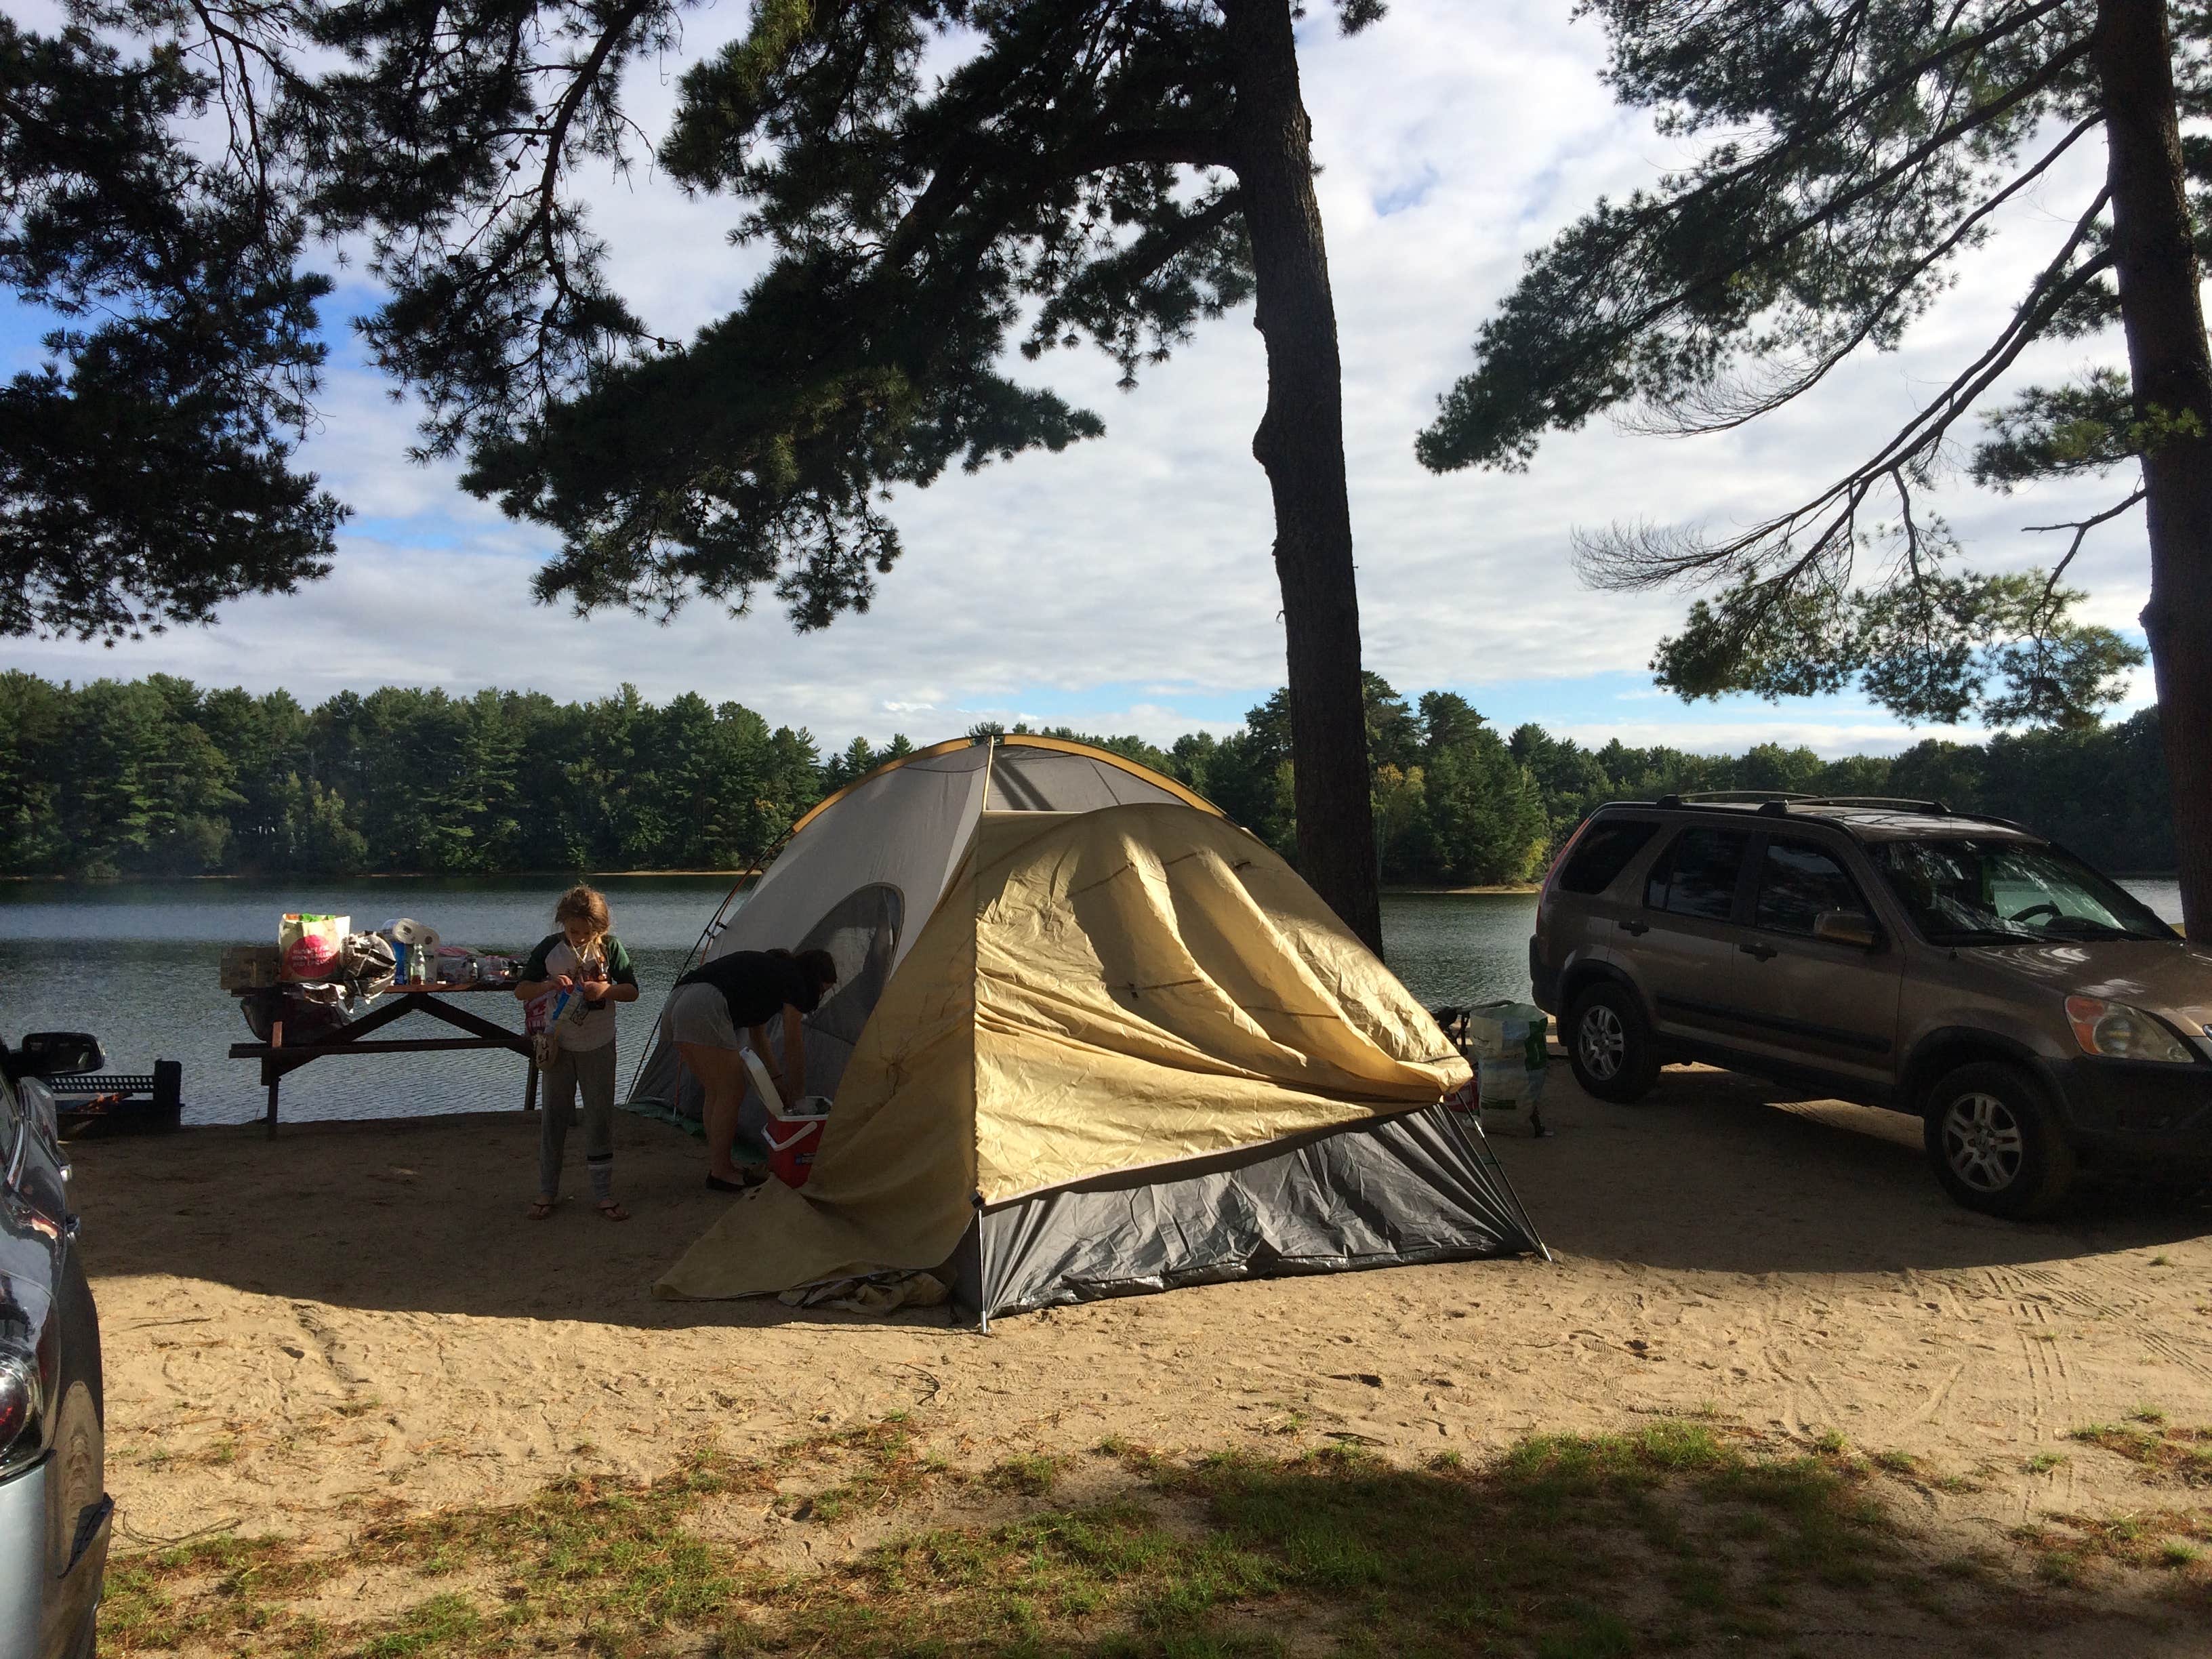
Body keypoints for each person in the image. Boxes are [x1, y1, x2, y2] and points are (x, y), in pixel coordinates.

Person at [664, 947, 838, 1190]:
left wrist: (777, 1079)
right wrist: (798, 1100)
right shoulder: (796, 980)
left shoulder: (771, 976)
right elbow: (793, 1041)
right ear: (814, 978)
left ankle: (720, 1165)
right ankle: (721, 1173)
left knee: (716, 1092)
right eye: (822, 990)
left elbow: (759, 1037)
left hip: (678, 1001)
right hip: (703, 1005)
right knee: (731, 1091)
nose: (819, 997)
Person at [515, 884, 640, 1221]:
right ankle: (547, 1190)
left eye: (588, 932)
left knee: (600, 1116)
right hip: (558, 1044)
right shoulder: (550, 948)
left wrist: (606, 989)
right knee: (554, 1117)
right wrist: (549, 984)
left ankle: (603, 1193)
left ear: (601, 928)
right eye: (574, 931)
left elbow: (632, 992)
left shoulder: (611, 948)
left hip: (599, 1043)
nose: (580, 937)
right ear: (563, 924)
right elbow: (521, 991)